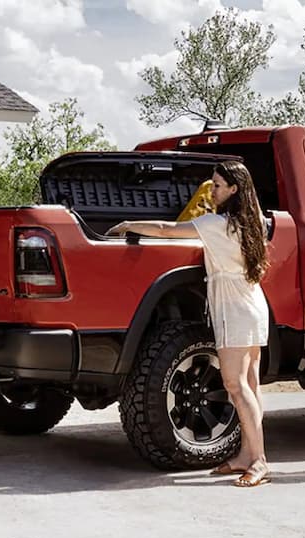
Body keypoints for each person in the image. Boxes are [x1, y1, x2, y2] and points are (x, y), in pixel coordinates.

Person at [106, 160, 272, 487]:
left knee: (236, 386)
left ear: (234, 190)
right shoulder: (251, 224)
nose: (212, 190)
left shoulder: (215, 223)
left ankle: (259, 461)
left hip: (235, 309)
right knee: (249, 385)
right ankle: (245, 455)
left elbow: (167, 230)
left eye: (218, 185)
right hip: (253, 304)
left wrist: (128, 224)